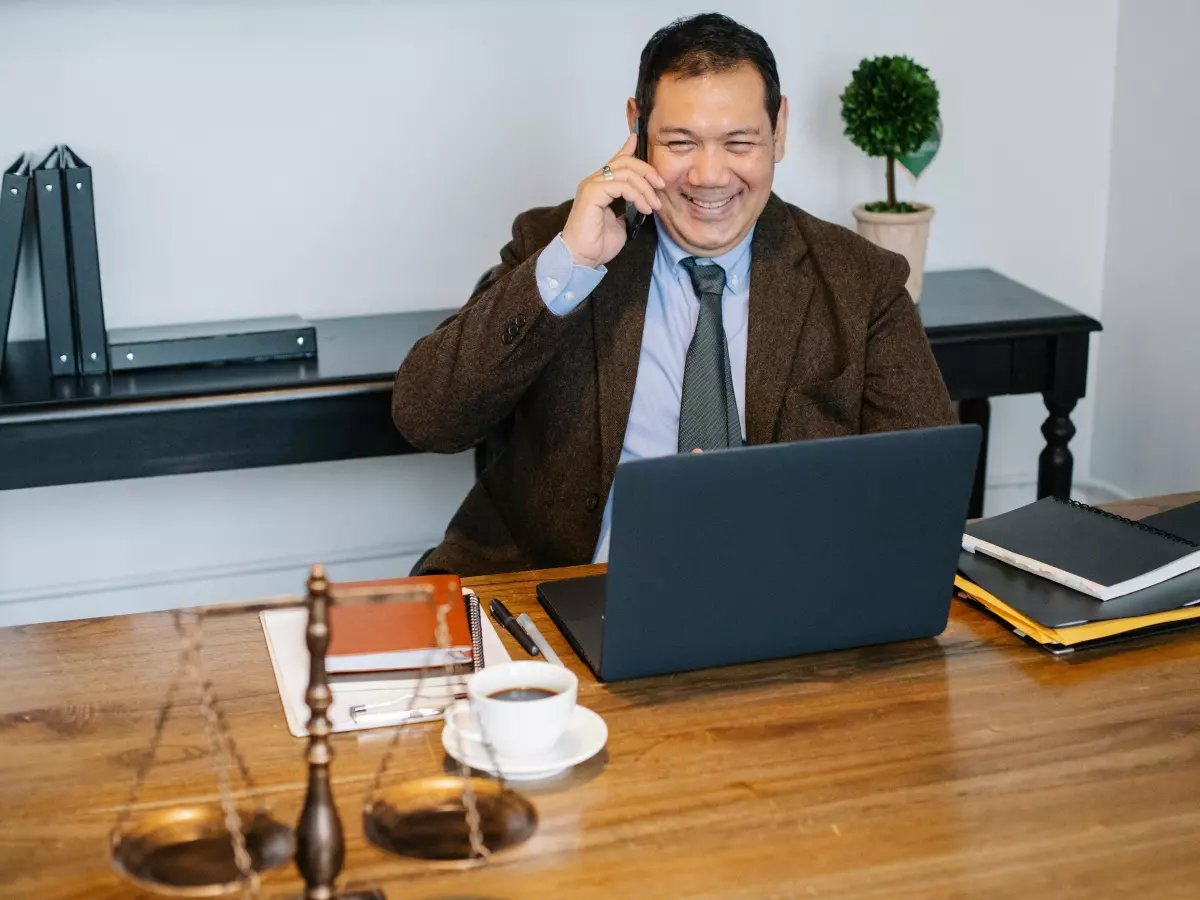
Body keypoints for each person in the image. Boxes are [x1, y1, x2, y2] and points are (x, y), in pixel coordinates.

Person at [393, 13, 955, 576]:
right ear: (637, 128)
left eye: (739, 142)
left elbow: (926, 489)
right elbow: (427, 419)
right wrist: (573, 264)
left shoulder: (861, 282)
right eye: (681, 142)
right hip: (555, 589)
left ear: (778, 129)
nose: (710, 176)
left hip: (776, 594)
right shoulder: (557, 242)